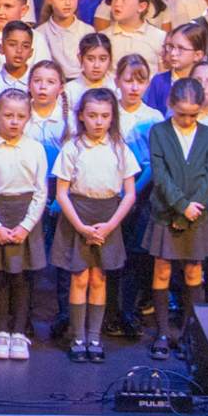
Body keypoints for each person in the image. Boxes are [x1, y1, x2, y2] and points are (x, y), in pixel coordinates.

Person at [53, 88, 140, 363]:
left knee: (99, 277)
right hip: (78, 215)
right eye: (92, 115)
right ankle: (78, 337)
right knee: (79, 277)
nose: (98, 121)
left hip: (108, 217)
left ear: (112, 117)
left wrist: (110, 225)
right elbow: (61, 193)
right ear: (81, 116)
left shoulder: (120, 149)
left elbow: (130, 193)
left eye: (104, 116)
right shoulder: (72, 148)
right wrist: (81, 227)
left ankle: (94, 337)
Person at [143, 76, 208, 359]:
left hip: (195, 216)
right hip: (166, 214)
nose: (187, 120)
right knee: (162, 270)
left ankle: (189, 333)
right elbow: (160, 176)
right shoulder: (159, 132)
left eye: (193, 115)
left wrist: (189, 212)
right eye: (181, 114)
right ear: (170, 104)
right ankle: (163, 332)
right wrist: (180, 206)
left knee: (193, 272)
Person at [0, 88, 48, 358]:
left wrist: (26, 225)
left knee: (22, 277)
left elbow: (41, 191)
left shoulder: (35, 149)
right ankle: (1, 331)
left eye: (20, 116)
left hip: (25, 216)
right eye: (8, 115)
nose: (14, 122)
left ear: (28, 117)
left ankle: (19, 332)